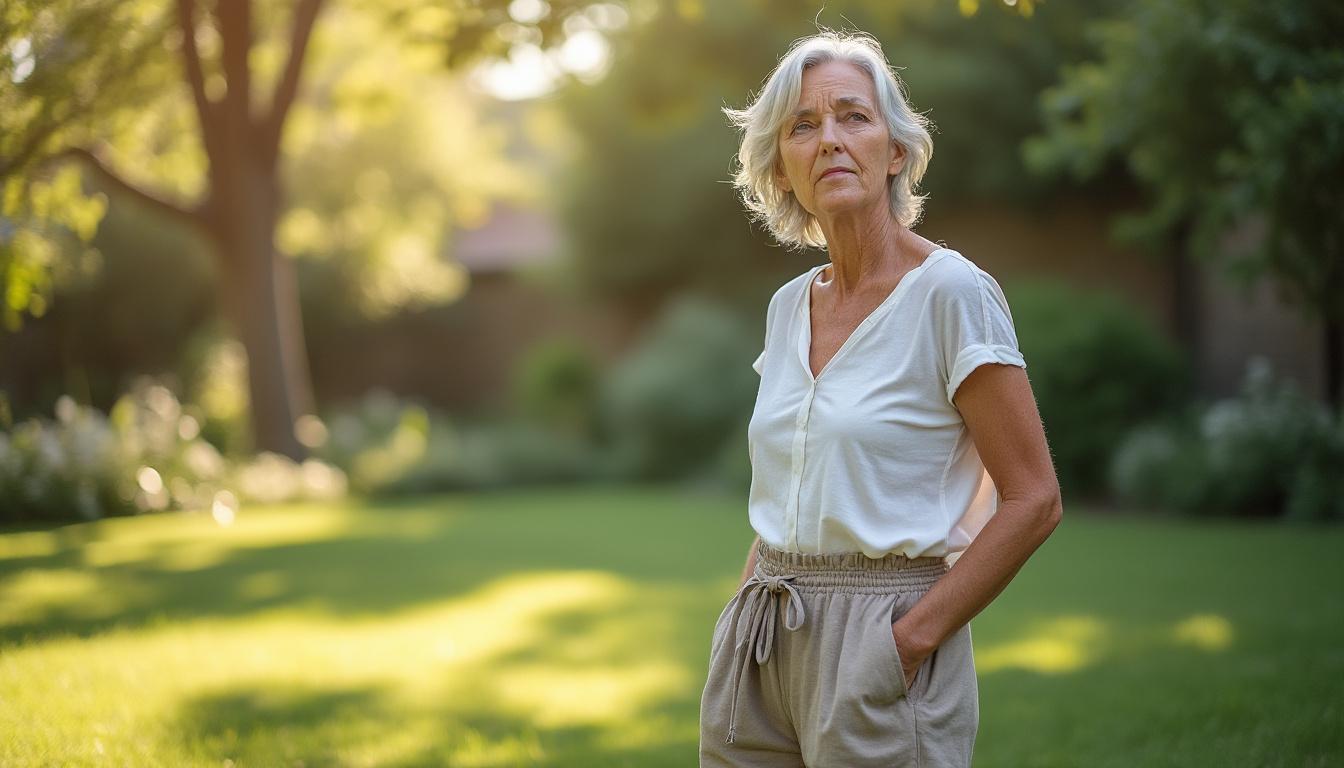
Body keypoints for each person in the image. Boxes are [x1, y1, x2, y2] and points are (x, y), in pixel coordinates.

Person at [698, 30, 1063, 768]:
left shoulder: (952, 293)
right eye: (803, 125)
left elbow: (1034, 499)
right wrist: (732, 629)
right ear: (781, 168)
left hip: (883, 639)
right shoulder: (788, 306)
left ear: (895, 151)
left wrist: (906, 645)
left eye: (853, 117)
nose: (829, 138)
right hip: (762, 637)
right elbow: (786, 488)